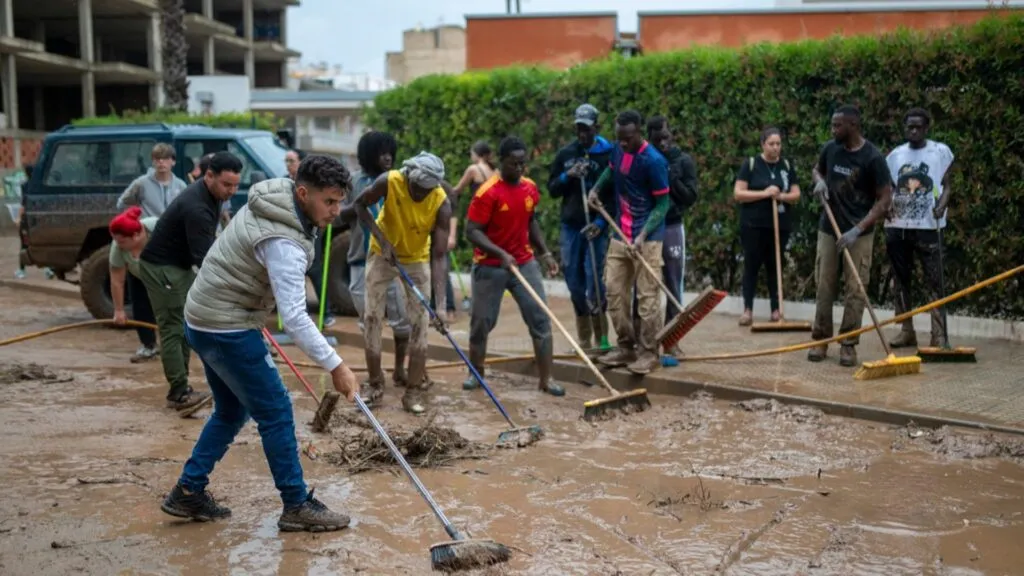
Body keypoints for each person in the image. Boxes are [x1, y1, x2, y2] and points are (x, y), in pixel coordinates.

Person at [161, 155, 358, 532]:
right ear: (302, 193)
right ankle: (296, 504)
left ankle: (188, 490)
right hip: (224, 325)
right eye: (329, 202)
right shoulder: (283, 241)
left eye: (339, 201)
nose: (336, 211)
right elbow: (296, 318)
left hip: (205, 317)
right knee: (276, 409)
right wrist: (337, 366)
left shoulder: (280, 200)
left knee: (232, 410)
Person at [138, 151, 242, 412]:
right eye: (226, 185)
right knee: (173, 328)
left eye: (236, 185)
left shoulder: (211, 195)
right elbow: (207, 260)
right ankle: (179, 392)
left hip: (179, 265)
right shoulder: (197, 207)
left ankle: (182, 386)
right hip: (162, 268)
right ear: (209, 176)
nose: (231, 191)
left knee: (185, 326)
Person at [352, 152, 452, 415]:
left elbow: (440, 257)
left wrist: (441, 306)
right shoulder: (389, 181)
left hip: (416, 259)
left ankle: (413, 391)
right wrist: (382, 240)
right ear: (410, 178)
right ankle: (374, 384)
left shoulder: (441, 202)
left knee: (421, 324)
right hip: (382, 254)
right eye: (419, 189)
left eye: (428, 190)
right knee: (372, 317)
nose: (422, 195)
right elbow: (359, 206)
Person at [464, 137, 564, 396]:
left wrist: (545, 253)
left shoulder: (530, 188)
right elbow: (472, 231)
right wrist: (500, 253)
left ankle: (546, 379)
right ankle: (476, 373)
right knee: (482, 323)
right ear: (501, 162)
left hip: (524, 263)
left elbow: (531, 223)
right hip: (490, 266)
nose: (519, 168)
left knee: (540, 319)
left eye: (522, 163)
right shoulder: (488, 192)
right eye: (513, 164)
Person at [586, 110, 671, 375]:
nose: (623, 143)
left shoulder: (653, 161)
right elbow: (610, 173)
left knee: (647, 298)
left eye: (628, 138)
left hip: (648, 238)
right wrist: (595, 189)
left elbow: (663, 203)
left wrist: (644, 235)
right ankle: (625, 346)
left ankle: (648, 352)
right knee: (613, 292)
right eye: (619, 138)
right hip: (619, 234)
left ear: (640, 134)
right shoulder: (617, 151)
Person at [809, 105, 893, 367]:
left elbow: (885, 199)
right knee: (824, 285)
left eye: (838, 125)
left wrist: (858, 230)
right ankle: (820, 339)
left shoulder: (873, 158)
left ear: (853, 126)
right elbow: (817, 169)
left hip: (860, 231)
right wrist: (818, 180)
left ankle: (848, 343)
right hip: (829, 228)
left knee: (856, 289)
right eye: (832, 125)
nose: (833, 130)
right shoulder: (830, 149)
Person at [340, 131, 413, 386]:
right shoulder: (354, 182)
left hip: (394, 262)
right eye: (381, 153)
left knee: (402, 322)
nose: (387, 157)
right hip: (361, 260)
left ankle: (400, 370)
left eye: (390, 152)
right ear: (369, 155)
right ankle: (375, 376)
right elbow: (340, 215)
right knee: (370, 322)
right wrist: (358, 204)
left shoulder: (398, 181)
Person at [884, 107, 955, 349]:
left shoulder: (939, 152)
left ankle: (939, 334)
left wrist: (942, 206)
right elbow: (889, 189)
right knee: (901, 279)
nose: (913, 131)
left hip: (928, 226)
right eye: (909, 127)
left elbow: (947, 186)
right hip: (898, 226)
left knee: (935, 279)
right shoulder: (894, 156)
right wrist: (887, 207)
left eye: (917, 127)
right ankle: (906, 330)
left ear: (926, 128)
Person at [547, 104, 615, 353]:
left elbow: (616, 196)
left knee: (594, 280)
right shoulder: (567, 154)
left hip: (595, 227)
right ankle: (583, 340)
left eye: (586, 129)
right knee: (574, 281)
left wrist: (600, 223)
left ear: (597, 127)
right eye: (578, 128)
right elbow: (552, 189)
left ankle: (602, 339)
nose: (582, 134)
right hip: (571, 226)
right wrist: (568, 176)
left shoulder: (609, 154)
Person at [734, 127, 802, 325]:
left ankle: (776, 309)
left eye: (778, 144)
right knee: (751, 266)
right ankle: (747, 310)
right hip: (753, 225)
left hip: (779, 226)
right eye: (771, 144)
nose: (775, 148)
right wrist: (765, 193)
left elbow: (796, 194)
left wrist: (780, 196)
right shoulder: (752, 164)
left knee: (775, 266)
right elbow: (738, 193)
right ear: (763, 144)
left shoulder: (787, 166)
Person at [646, 115, 699, 357]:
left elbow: (690, 197)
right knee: (646, 287)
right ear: (650, 139)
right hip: (648, 230)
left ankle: (672, 340)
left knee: (674, 284)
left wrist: (672, 178)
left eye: (666, 138)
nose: (663, 144)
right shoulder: (645, 160)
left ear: (672, 135)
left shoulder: (683, 161)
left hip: (673, 227)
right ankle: (645, 341)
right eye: (657, 140)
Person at [109, 206, 160, 363]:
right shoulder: (118, 247)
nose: (118, 245)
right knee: (141, 307)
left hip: (168, 274)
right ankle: (148, 345)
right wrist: (118, 310)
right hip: (139, 275)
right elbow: (117, 280)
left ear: (137, 236)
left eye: (122, 241)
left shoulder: (159, 229)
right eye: (116, 240)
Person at [116, 143, 189, 218]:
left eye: (165, 158)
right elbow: (122, 204)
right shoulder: (141, 183)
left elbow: (187, 209)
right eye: (157, 158)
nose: (161, 161)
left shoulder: (181, 186)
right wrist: (136, 221)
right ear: (153, 162)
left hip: (172, 228)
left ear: (173, 162)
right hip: (149, 228)